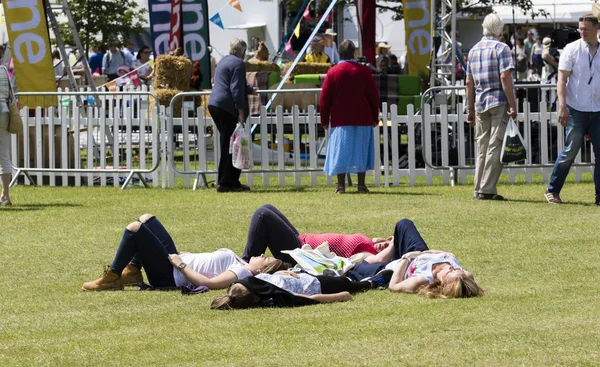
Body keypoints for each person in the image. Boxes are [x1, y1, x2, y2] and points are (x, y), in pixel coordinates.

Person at [82, 214, 286, 291]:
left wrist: (181, 264)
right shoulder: (241, 263)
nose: (262, 254)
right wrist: (187, 257)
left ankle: (112, 277)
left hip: (170, 274)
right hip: (177, 262)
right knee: (147, 219)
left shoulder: (243, 273)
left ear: (261, 272)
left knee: (134, 229)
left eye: (265, 258)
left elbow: (208, 283)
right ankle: (133, 271)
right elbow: (207, 264)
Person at [349, 219, 484, 299]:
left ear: (443, 283)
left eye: (450, 271)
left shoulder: (423, 279)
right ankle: (391, 244)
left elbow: (394, 286)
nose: (451, 267)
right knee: (404, 223)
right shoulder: (463, 276)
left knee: (356, 268)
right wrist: (436, 253)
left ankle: (389, 248)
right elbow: (467, 282)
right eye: (455, 268)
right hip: (420, 253)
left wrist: (406, 258)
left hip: (396, 267)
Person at [545, 14, 600, 206]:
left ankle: (599, 196)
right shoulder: (572, 49)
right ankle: (552, 190)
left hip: (598, 109)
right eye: (580, 29)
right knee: (570, 151)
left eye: (586, 29)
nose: (582, 32)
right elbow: (562, 79)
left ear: (596, 29)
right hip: (576, 107)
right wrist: (562, 106)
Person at [466, 13, 518, 201]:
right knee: (496, 146)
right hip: (498, 101)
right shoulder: (501, 48)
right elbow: (505, 77)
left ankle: (478, 187)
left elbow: (469, 82)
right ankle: (487, 188)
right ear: (499, 29)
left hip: (480, 103)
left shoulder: (473, 50)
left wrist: (469, 108)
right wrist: (513, 105)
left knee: (482, 147)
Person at [242, 204, 392, 266]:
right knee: (267, 208)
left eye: (388, 247)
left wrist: (390, 246)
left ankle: (245, 265)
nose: (384, 245)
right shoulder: (371, 244)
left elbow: (378, 260)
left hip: (300, 253)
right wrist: (384, 241)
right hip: (301, 240)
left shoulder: (369, 254)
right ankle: (250, 264)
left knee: (262, 215)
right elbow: (375, 242)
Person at [320, 40, 380, 194]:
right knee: (361, 151)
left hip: (341, 119)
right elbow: (373, 96)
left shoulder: (333, 72)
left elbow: (325, 98)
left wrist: (324, 119)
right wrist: (375, 116)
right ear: (354, 52)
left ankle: (341, 186)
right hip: (363, 117)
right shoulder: (364, 71)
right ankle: (361, 185)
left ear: (339, 53)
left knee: (340, 152)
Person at [208, 38, 256, 193]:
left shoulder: (223, 61)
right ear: (242, 51)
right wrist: (241, 112)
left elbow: (232, 83)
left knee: (227, 145)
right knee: (232, 146)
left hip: (215, 104)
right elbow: (236, 89)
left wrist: (249, 89)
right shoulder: (239, 63)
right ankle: (228, 182)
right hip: (227, 107)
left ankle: (226, 180)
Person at [210, 269, 390, 310]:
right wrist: (342, 296)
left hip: (301, 275)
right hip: (317, 284)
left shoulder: (258, 284)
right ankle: (373, 283)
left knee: (341, 275)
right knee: (346, 282)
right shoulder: (281, 297)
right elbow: (312, 298)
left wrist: (285, 272)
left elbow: (274, 276)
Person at [0, 60, 11, 206]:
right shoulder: (3, 69)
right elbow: (11, 93)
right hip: (3, 111)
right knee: (4, 155)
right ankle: (5, 195)